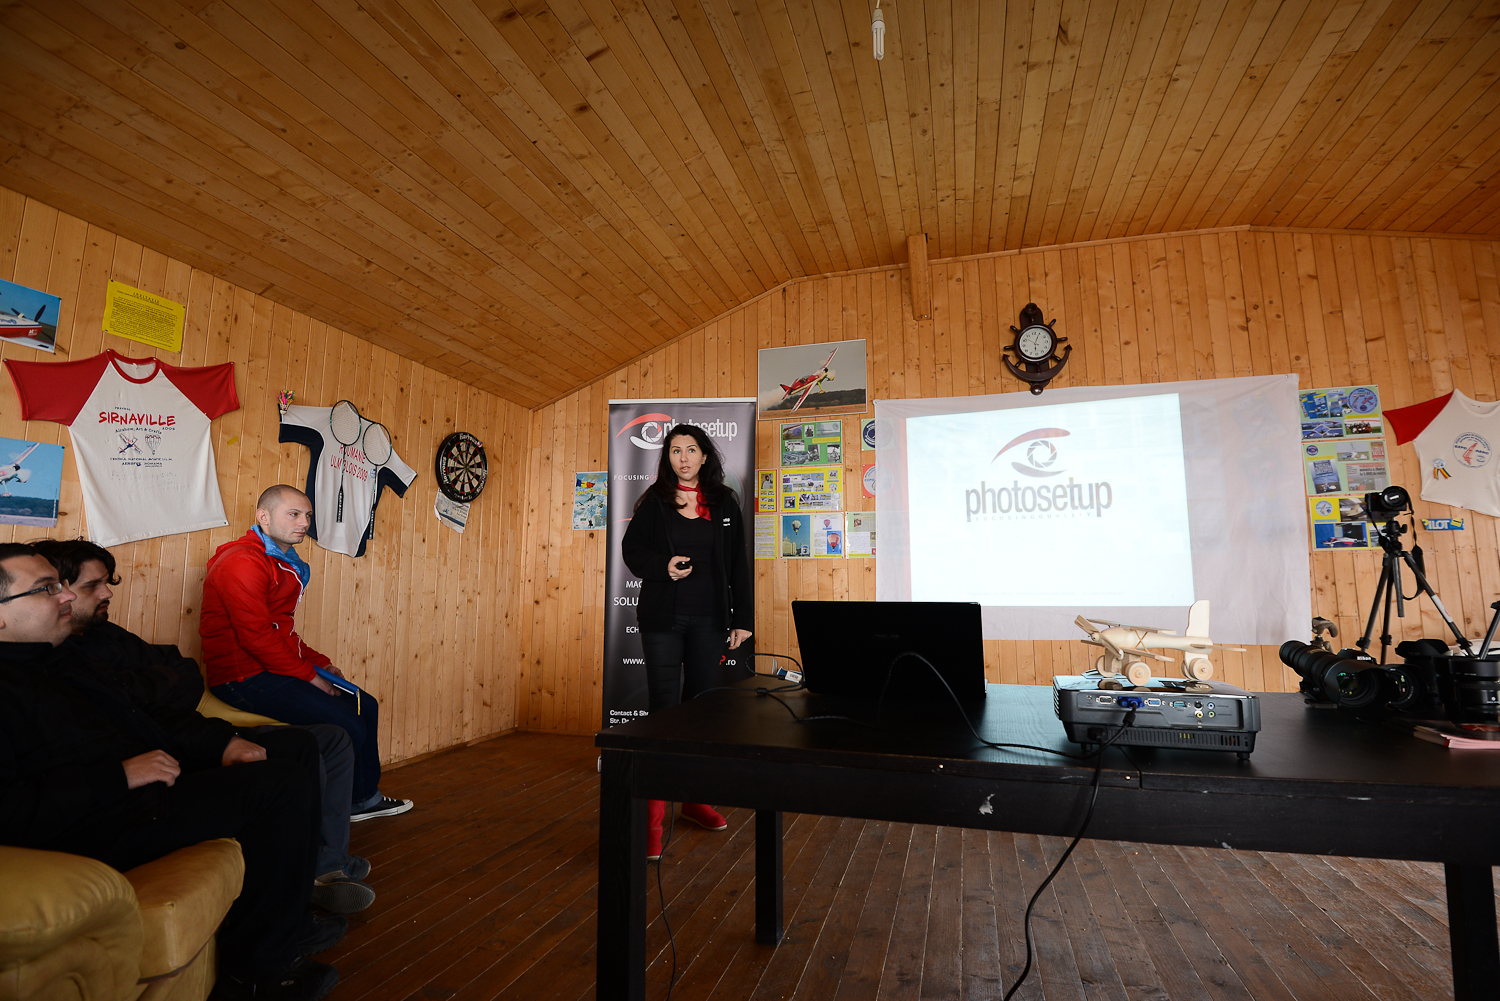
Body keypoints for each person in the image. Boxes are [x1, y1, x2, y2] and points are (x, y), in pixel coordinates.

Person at [0, 544, 341, 1001]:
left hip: (145, 784)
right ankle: (258, 976)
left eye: (61, 585)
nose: (65, 596)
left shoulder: (61, 657)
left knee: (293, 747)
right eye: (46, 589)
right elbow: (10, 809)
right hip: (96, 819)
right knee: (279, 785)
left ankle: (292, 920)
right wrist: (119, 775)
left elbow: (145, 715)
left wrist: (220, 743)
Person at [30, 537, 375, 913]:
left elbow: (184, 672)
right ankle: (307, 883)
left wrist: (157, 690)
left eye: (106, 582)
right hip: (177, 743)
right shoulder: (56, 660)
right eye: (92, 586)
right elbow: (142, 702)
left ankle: (328, 862)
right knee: (315, 744)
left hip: (185, 729)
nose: (107, 592)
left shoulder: (106, 634)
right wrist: (306, 677)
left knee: (331, 735)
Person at [201, 485, 412, 823]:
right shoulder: (243, 561)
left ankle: (363, 799)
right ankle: (338, 812)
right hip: (242, 677)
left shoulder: (281, 562)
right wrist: (310, 676)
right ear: (264, 517)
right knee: (348, 725)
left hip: (269, 668)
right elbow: (256, 637)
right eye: (294, 514)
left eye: (308, 516)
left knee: (365, 704)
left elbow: (281, 632)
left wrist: (320, 663)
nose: (304, 523)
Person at [621, 424, 752, 860]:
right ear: (668, 458)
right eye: (675, 451)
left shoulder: (725, 502)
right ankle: (652, 822)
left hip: (711, 621)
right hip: (663, 619)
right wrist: (664, 566)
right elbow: (632, 551)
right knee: (663, 713)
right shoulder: (654, 502)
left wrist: (743, 619)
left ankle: (695, 801)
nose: (683, 458)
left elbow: (738, 564)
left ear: (704, 455)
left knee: (700, 715)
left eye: (691, 450)